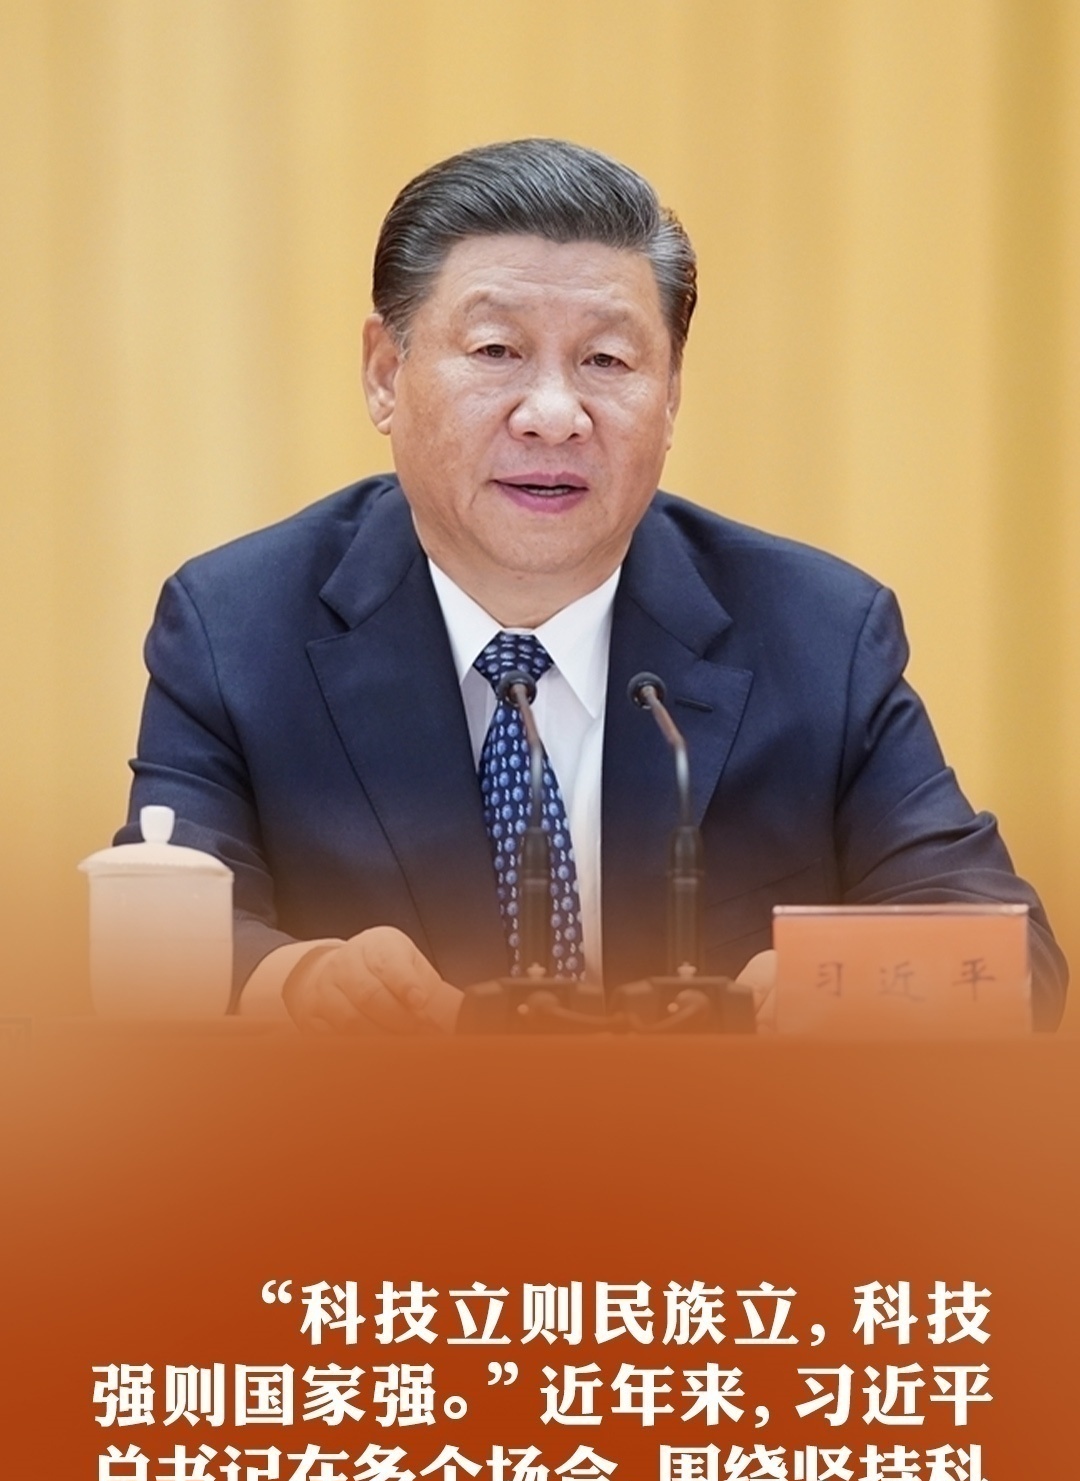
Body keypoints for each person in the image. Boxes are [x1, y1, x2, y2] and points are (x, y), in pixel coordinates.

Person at [118, 138, 1067, 1031]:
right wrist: (295, 986)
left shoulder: (819, 635)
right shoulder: (237, 630)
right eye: (496, 351)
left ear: (672, 395)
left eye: (606, 361)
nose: (553, 414)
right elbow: (154, 938)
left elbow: (1012, 959)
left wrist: (834, 987)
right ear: (383, 373)